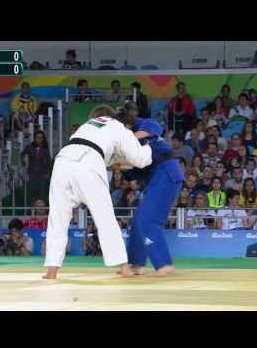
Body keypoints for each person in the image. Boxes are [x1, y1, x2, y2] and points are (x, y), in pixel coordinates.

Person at [43, 106, 153, 279]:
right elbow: (140, 159)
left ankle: (51, 270)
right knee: (105, 217)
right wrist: (149, 146)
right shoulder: (117, 126)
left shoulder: (87, 126)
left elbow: (107, 154)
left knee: (57, 217)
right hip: (89, 162)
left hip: (62, 160)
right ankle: (124, 267)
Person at [124, 114, 184, 277]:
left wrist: (128, 139)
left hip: (166, 173)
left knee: (148, 220)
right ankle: (137, 263)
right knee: (138, 221)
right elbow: (136, 172)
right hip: (155, 178)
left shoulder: (142, 125)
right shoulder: (127, 145)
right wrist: (120, 165)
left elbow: (156, 127)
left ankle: (164, 263)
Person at [20, 131, 52, 203]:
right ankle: (34, 208)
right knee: (34, 189)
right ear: (34, 138)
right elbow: (22, 155)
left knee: (41, 191)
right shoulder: (29, 146)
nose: (39, 140)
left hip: (42, 172)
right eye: (37, 138)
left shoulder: (45, 148)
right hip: (32, 172)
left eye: (41, 138)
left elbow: (49, 160)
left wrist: (48, 172)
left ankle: (41, 209)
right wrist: (23, 162)